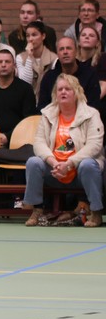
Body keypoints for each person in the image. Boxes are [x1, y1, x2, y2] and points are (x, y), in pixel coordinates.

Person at [24, 74, 104, 228]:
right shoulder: (47, 114)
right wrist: (54, 162)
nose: (63, 92)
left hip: (79, 169)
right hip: (54, 169)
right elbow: (39, 143)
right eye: (60, 89)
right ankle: (37, 210)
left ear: (76, 92)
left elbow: (95, 145)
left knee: (88, 164)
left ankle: (96, 212)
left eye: (68, 89)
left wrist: (69, 163)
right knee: (33, 162)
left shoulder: (91, 114)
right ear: (55, 94)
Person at [36, 36, 100, 112]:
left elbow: (93, 105)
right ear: (57, 54)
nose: (65, 52)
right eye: (61, 49)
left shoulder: (89, 74)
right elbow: (43, 107)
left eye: (69, 48)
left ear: (76, 51)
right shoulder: (49, 77)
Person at [16, 20, 57, 98]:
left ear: (43, 36)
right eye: (28, 36)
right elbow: (25, 83)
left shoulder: (54, 58)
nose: (30, 39)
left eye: (34, 35)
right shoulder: (20, 57)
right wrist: (29, 57)